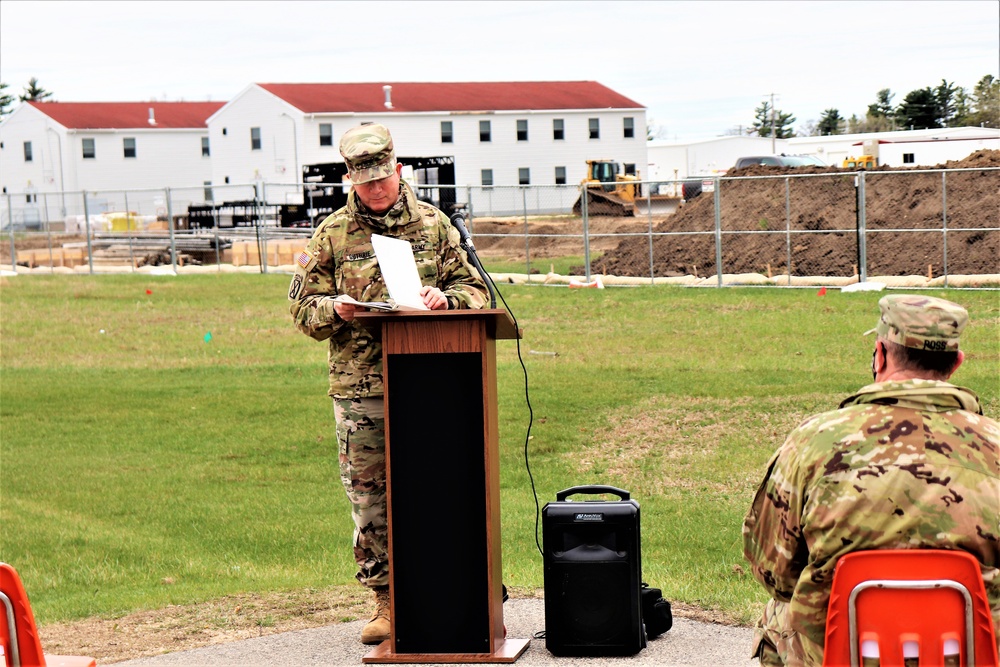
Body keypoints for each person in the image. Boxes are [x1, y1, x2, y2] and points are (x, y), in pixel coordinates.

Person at [288, 122, 488, 644]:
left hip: (437, 383)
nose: (376, 189)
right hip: (362, 390)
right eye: (364, 182)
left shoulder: (435, 226)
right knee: (370, 498)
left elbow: (476, 290)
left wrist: (450, 300)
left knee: (443, 488)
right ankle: (386, 600)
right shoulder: (331, 233)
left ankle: (452, 590)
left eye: (383, 179)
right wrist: (339, 308)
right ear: (350, 180)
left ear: (398, 171)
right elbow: (302, 309)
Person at [742, 294, 1000, 665]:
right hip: (968, 655)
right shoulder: (995, 445)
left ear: (879, 354)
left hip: (840, 654)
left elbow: (773, 572)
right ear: (956, 364)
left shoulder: (815, 441)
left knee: (778, 614)